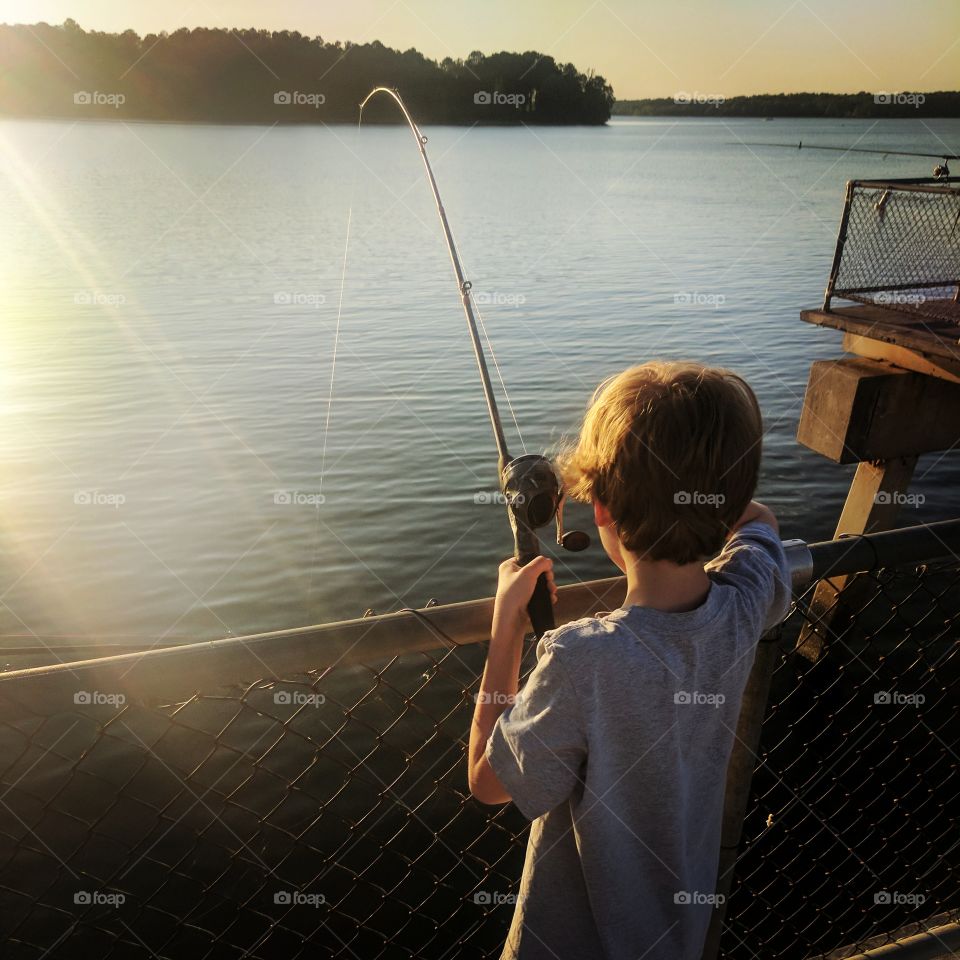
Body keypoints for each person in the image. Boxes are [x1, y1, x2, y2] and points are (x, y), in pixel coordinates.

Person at [467, 361, 792, 960]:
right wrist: (717, 498)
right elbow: (760, 523)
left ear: (600, 510)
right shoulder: (747, 599)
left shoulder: (581, 657)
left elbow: (489, 784)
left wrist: (505, 631)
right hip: (677, 932)